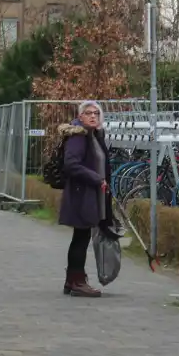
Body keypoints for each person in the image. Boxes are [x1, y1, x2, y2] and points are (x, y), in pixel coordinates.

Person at [56, 101, 113, 298]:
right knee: (81, 238)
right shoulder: (78, 136)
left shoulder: (94, 135)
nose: (93, 116)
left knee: (80, 237)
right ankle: (78, 282)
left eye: (96, 113)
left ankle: (72, 280)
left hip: (90, 193)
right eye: (88, 113)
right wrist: (97, 179)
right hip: (81, 194)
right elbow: (71, 164)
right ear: (80, 117)